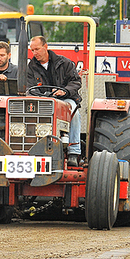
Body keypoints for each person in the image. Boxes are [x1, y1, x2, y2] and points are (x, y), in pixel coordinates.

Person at [27, 35, 82, 167]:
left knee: (73, 113)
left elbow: (75, 82)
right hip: (43, 99)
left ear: (46, 47)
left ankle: (74, 151)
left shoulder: (64, 63)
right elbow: (29, 87)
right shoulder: (31, 67)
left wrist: (65, 91)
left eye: (37, 49)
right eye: (32, 50)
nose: (35, 53)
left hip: (65, 98)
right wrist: (39, 95)